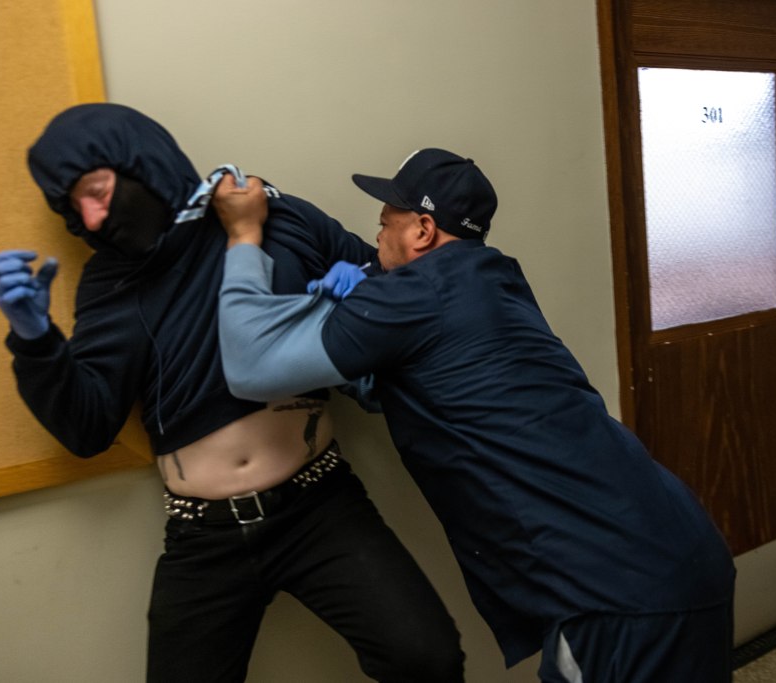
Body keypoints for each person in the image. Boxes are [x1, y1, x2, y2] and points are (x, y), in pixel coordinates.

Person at [212, 148, 738, 682]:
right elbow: (436, 386)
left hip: (617, 593)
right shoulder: (496, 278)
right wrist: (357, 347)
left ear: (421, 230)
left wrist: (243, 237)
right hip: (675, 549)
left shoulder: (415, 296)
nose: (376, 237)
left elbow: (250, 369)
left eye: (383, 223)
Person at [0, 105, 464, 683]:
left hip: (319, 504)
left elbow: (401, 293)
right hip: (203, 533)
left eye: (95, 190)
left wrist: (365, 290)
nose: (90, 219)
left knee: (427, 656)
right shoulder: (110, 284)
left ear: (140, 162)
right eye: (71, 208)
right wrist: (36, 341)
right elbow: (87, 428)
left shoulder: (272, 216)